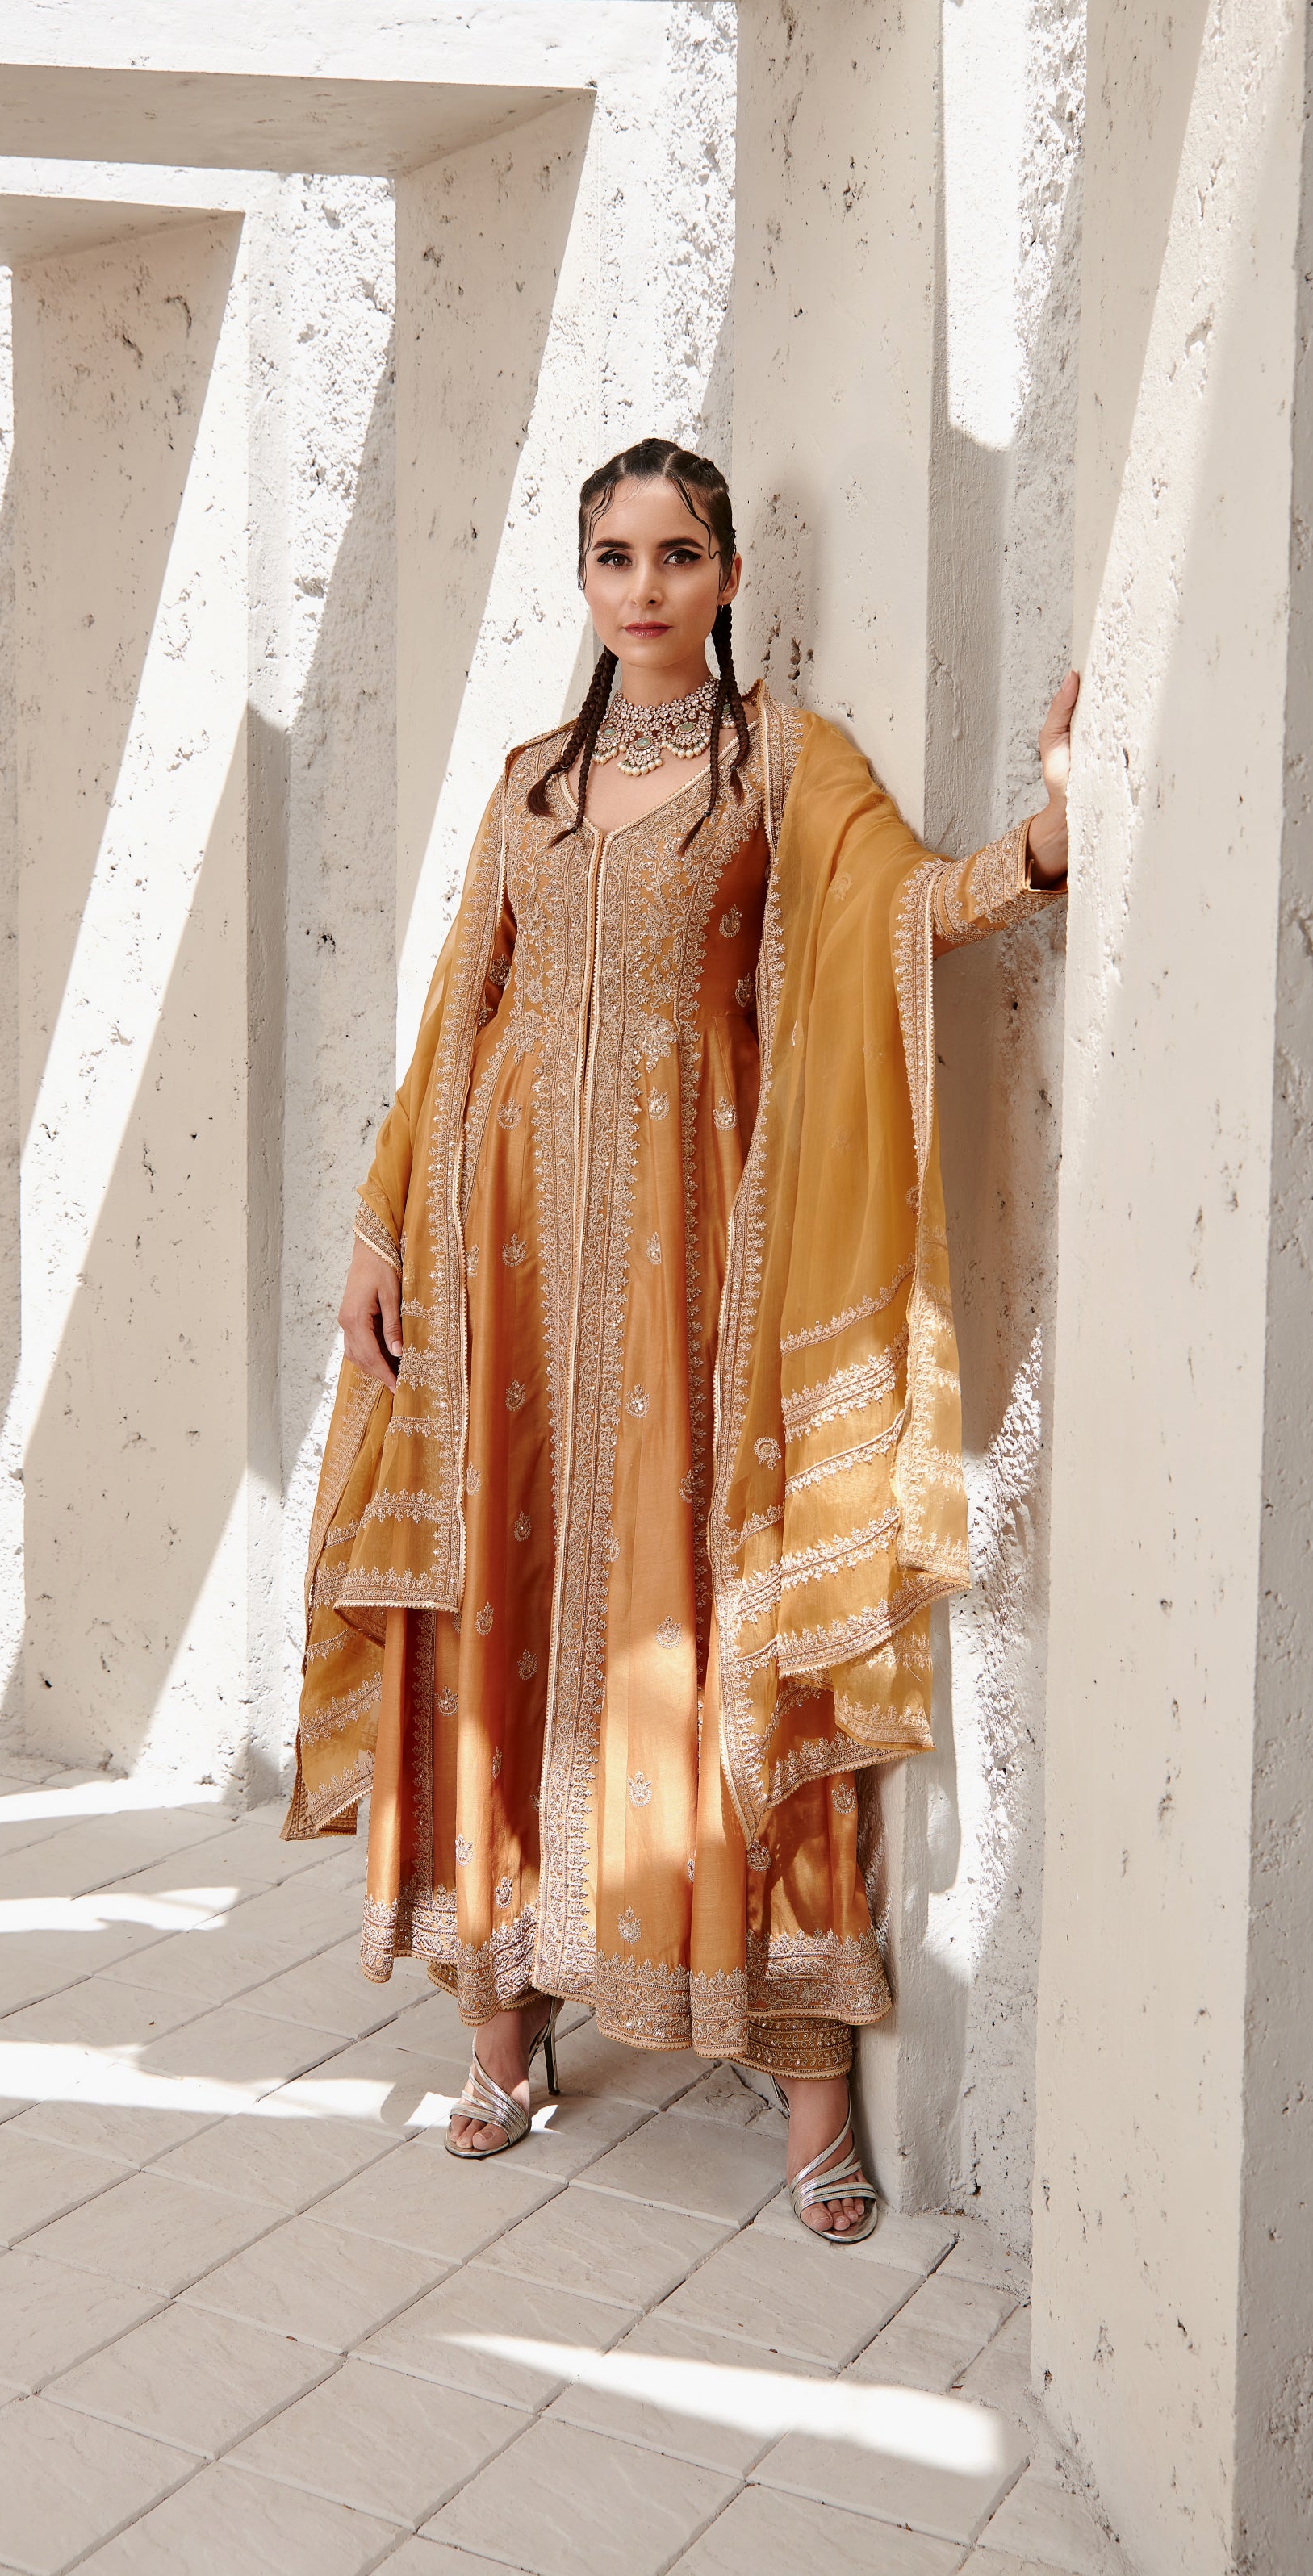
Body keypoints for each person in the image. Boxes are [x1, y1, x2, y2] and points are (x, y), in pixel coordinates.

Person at [287, 438, 1073, 2240]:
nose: (642, 587)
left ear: (726, 577)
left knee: (711, 1616)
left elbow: (907, 912)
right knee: (497, 1602)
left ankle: (805, 2081)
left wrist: (1044, 840)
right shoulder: (532, 781)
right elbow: (457, 1015)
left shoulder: (786, 764)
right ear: (582, 577)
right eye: (613, 556)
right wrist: (380, 1227)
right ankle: (504, 2028)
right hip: (496, 1256)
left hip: (693, 1263)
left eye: (677, 554)